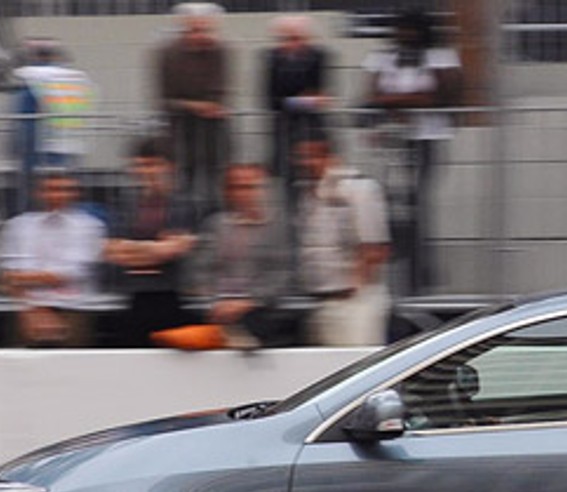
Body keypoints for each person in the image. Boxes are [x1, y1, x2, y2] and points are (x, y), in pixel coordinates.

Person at [362, 9, 462, 295]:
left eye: (410, 30)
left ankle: (422, 274)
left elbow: (442, 95)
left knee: (419, 206)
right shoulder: (384, 58)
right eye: (399, 30)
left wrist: (395, 101)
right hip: (393, 141)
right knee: (394, 206)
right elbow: (372, 96)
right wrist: (411, 101)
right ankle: (403, 266)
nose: (404, 36)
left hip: (427, 139)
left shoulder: (440, 56)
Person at [153, 163, 296, 350]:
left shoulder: (278, 228)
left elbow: (282, 273)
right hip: (217, 308)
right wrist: (215, 302)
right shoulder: (216, 225)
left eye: (250, 187)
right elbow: (199, 270)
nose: (242, 194)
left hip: (260, 309)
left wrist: (248, 301)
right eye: (235, 187)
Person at [294, 132, 391, 347]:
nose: (305, 163)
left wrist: (354, 290)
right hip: (324, 301)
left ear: (328, 154)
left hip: (354, 303)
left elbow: (375, 248)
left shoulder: (359, 188)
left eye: (311, 156)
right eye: (301, 157)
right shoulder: (308, 194)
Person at [104, 137, 199, 346]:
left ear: (169, 167)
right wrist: (154, 248)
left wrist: (134, 249)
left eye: (152, 165)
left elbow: (174, 249)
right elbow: (113, 251)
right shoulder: (125, 201)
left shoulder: (183, 203)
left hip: (169, 294)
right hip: (132, 296)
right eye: (140, 165)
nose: (145, 171)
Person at [0, 169, 106, 347]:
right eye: (51, 189)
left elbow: (70, 274)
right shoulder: (19, 225)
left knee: (75, 369)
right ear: (39, 193)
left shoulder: (89, 226)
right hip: (26, 309)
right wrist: (31, 310)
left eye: (65, 189)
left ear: (75, 193)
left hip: (73, 311)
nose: (58, 195)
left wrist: (24, 278)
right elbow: (9, 275)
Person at [156, 3, 229, 211]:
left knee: (215, 186)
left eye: (205, 30)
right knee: (183, 188)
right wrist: (195, 106)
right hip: (180, 134)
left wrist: (210, 105)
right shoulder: (167, 54)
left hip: (213, 135)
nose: (199, 36)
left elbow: (221, 91)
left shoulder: (220, 51)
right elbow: (164, 99)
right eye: (194, 30)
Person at [13, 37, 96, 214]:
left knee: (36, 199)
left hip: (38, 149)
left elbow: (24, 120)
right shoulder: (76, 79)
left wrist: (18, 149)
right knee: (68, 198)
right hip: (71, 146)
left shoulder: (32, 77)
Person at [265, 15, 329, 210]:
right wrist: (302, 101)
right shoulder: (272, 58)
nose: (293, 43)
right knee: (288, 181)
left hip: (312, 129)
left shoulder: (318, 56)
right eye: (287, 38)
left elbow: (321, 96)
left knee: (316, 179)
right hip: (284, 130)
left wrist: (296, 101)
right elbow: (271, 100)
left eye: (297, 38)